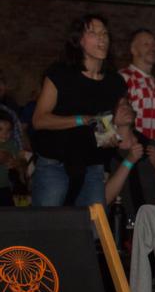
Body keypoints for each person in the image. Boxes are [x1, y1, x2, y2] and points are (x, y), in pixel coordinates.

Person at [30, 14, 127, 207]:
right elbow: (39, 120)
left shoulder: (114, 82)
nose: (102, 38)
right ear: (79, 40)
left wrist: (110, 138)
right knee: (47, 223)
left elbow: (102, 123)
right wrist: (81, 120)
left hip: (92, 167)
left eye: (104, 33)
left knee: (93, 223)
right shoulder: (60, 73)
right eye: (93, 33)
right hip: (54, 164)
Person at [120, 28, 155, 140]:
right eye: (146, 44)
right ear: (134, 50)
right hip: (131, 145)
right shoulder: (123, 77)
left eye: (154, 44)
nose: (152, 48)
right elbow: (106, 114)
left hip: (150, 146)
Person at [0, 117, 23, 206]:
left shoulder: (11, 144)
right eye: (0, 129)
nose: (5, 133)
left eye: (8, 130)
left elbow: (20, 161)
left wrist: (16, 163)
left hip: (5, 186)